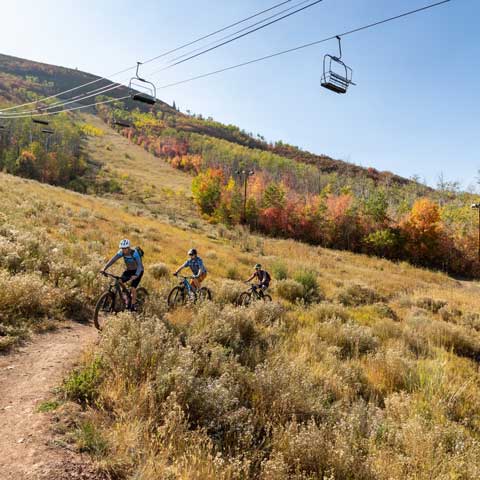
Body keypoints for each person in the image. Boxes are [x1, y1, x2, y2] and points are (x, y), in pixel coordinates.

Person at [101, 239, 144, 310]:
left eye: (125, 248)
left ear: (129, 247)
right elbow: (113, 260)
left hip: (138, 271)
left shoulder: (135, 253)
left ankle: (133, 306)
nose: (123, 250)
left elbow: (139, 265)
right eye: (122, 248)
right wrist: (104, 268)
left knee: (133, 288)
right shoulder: (121, 252)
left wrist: (136, 275)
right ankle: (125, 297)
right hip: (129, 270)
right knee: (119, 281)